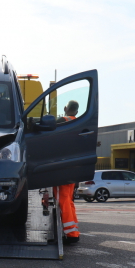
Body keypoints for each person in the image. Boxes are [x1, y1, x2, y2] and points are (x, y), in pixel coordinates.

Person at [56, 100, 80, 244]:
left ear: (65, 108)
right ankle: (74, 231)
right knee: (69, 200)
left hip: (61, 166)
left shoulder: (62, 121)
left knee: (62, 199)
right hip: (73, 167)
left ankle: (71, 235)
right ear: (76, 111)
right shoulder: (80, 123)